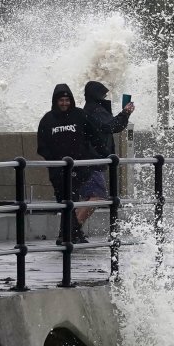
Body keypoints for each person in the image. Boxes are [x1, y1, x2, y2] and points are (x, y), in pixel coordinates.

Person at [37, 83, 107, 243]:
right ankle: (71, 234)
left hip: (79, 168)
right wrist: (54, 161)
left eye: (67, 100)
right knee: (64, 202)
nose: (64, 104)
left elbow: (94, 136)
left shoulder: (80, 116)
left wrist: (105, 155)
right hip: (58, 170)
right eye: (61, 100)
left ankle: (69, 234)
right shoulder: (47, 120)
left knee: (72, 201)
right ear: (55, 101)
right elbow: (42, 146)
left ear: (71, 100)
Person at [80, 81, 135, 230]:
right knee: (97, 196)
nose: (105, 97)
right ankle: (73, 229)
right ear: (96, 95)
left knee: (88, 197)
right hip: (93, 160)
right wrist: (125, 113)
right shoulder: (95, 110)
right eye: (103, 95)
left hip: (91, 159)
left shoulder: (90, 109)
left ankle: (72, 230)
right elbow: (112, 126)